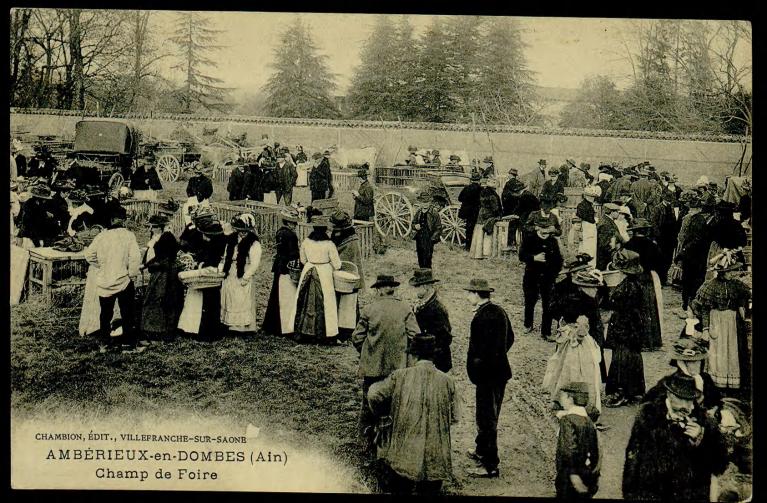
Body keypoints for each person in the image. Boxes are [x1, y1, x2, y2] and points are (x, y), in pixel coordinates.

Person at [367, 335, 458, 495]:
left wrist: (383, 414)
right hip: (435, 457)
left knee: (401, 487)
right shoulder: (447, 381)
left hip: (405, 455)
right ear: (433, 355)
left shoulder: (400, 376)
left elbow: (374, 394)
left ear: (413, 354)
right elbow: (455, 416)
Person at [622, 372, 729, 501]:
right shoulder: (648, 417)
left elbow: (720, 465)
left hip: (690, 495)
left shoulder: (705, 422)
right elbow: (633, 458)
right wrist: (630, 493)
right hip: (654, 493)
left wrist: (701, 439)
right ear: (669, 395)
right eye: (681, 399)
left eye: (690, 399)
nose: (686, 406)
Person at [352, 274, 420, 454]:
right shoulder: (405, 309)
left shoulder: (369, 310)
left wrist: (367, 353)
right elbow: (415, 336)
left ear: (380, 290)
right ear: (393, 289)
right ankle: (393, 444)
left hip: (372, 368)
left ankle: (365, 443)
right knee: (395, 405)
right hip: (398, 369)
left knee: (368, 404)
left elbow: (357, 338)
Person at [464, 278, 514, 478]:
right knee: (486, 415)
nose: (467, 296)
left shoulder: (483, 317)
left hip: (488, 377)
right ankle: (481, 450)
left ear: (477, 294)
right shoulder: (499, 311)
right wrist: (500, 358)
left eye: (469, 293)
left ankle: (490, 465)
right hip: (498, 374)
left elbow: (482, 350)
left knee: (487, 419)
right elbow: (510, 337)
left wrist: (481, 365)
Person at [691, 249, 751, 396]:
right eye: (730, 271)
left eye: (734, 271)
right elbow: (703, 309)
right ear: (722, 272)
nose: (733, 274)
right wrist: (705, 328)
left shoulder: (737, 285)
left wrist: (744, 307)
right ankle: (717, 383)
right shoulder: (710, 286)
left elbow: (746, 298)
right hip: (716, 322)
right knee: (718, 352)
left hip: (733, 323)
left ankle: (732, 384)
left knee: (732, 352)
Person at [84, 210, 141, 352]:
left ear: (111, 221)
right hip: (124, 280)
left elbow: (89, 255)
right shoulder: (129, 236)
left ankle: (105, 342)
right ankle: (127, 343)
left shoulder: (101, 237)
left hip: (105, 280)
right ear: (123, 220)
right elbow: (135, 258)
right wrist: (132, 274)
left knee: (105, 313)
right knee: (127, 312)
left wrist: (102, 266)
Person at [287, 217, 342, 343]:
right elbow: (337, 264)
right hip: (324, 273)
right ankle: (324, 334)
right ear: (325, 230)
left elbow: (302, 260)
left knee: (303, 299)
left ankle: (303, 330)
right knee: (326, 301)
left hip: (309, 269)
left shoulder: (306, 242)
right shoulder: (329, 244)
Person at [177, 209, 227, 342]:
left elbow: (211, 262)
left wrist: (198, 264)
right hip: (207, 277)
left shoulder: (213, 247)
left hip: (207, 278)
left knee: (205, 305)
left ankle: (203, 330)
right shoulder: (212, 242)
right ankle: (199, 328)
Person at [603, 250, 646, 407]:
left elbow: (619, 307)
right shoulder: (634, 285)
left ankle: (622, 392)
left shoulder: (627, 288)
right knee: (631, 357)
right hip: (632, 327)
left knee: (621, 359)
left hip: (625, 327)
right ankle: (635, 390)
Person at [642, 336, 722, 413]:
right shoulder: (671, 382)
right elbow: (648, 403)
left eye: (698, 361)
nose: (695, 365)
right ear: (681, 364)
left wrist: (713, 410)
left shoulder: (705, 378)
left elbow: (717, 401)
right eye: (690, 362)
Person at [543, 317, 603, 420]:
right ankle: (562, 402)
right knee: (567, 372)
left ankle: (585, 403)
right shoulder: (570, 334)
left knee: (587, 375)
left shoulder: (588, 340)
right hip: (571, 348)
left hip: (585, 350)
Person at [139, 214, 183, 343]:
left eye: (153, 227)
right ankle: (153, 330)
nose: (151, 230)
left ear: (160, 227)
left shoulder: (167, 237)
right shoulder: (158, 237)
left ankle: (161, 332)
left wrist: (148, 265)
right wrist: (146, 264)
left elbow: (164, 259)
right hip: (160, 271)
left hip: (166, 273)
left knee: (161, 299)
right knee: (156, 299)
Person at [555, 381, 601, 500]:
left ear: (570, 399)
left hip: (569, 478)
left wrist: (573, 474)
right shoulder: (589, 422)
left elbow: (568, 450)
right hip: (587, 477)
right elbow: (596, 452)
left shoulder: (567, 421)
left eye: (563, 396)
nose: (560, 400)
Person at [520, 215, 564, 338]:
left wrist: (554, 272)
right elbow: (521, 256)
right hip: (531, 276)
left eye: (547, 230)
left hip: (548, 278)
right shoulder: (529, 239)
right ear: (537, 228)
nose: (544, 233)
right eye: (541, 229)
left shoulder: (553, 242)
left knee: (548, 304)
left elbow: (559, 260)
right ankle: (528, 324)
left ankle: (546, 331)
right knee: (530, 300)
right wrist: (534, 258)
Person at [624, 218, 664, 351]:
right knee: (650, 308)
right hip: (648, 278)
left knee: (634, 308)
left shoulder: (628, 245)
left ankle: (637, 340)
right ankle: (651, 341)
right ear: (646, 230)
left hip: (632, 279)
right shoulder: (652, 245)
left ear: (634, 231)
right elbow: (659, 264)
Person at [219, 213, 262, 335]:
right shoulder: (231, 240)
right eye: (240, 231)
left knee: (242, 298)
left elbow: (254, 263)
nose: (242, 233)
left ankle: (242, 327)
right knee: (230, 297)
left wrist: (246, 276)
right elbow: (226, 256)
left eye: (245, 231)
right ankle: (230, 324)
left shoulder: (253, 243)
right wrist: (223, 269)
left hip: (243, 271)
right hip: (231, 271)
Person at [262, 209, 300, 337]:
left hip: (279, 265)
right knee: (286, 296)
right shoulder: (291, 236)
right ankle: (285, 327)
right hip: (287, 267)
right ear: (288, 223)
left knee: (276, 294)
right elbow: (293, 253)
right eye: (293, 223)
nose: (294, 226)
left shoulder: (280, 232)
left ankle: (271, 325)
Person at [674, 193, 711, 317]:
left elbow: (695, 240)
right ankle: (687, 306)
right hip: (694, 256)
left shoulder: (698, 221)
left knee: (690, 282)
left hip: (694, 257)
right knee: (689, 281)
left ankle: (689, 308)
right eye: (690, 207)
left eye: (693, 208)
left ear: (699, 209)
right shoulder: (694, 219)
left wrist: (683, 252)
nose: (690, 209)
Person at [330, 210, 365, 341]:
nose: (334, 229)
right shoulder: (338, 235)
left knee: (349, 304)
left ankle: (349, 330)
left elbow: (346, 262)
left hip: (349, 277)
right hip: (340, 278)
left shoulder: (351, 241)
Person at [409, 268, 452, 373]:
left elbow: (445, 338)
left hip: (435, 363)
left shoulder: (436, 309)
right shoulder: (424, 304)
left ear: (425, 286)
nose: (414, 290)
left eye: (416, 287)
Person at [412, 191, 442, 268]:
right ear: (420, 203)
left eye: (427, 202)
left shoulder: (434, 213)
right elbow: (412, 223)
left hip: (429, 237)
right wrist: (415, 226)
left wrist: (432, 239)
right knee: (420, 255)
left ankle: (428, 273)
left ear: (429, 202)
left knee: (428, 257)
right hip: (419, 237)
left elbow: (439, 228)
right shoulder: (418, 212)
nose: (425, 204)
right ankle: (421, 272)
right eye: (423, 202)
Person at [595, 203, 624, 271]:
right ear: (611, 212)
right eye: (616, 211)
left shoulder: (608, 221)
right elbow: (604, 244)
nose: (618, 214)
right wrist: (613, 253)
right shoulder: (606, 224)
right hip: (605, 257)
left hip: (606, 256)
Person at [458, 172, 482, 250]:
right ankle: (474, 246)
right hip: (476, 211)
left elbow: (460, 198)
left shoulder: (466, 188)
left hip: (467, 211)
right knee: (476, 228)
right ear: (479, 180)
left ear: (471, 180)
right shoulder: (481, 189)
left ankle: (468, 246)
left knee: (468, 228)